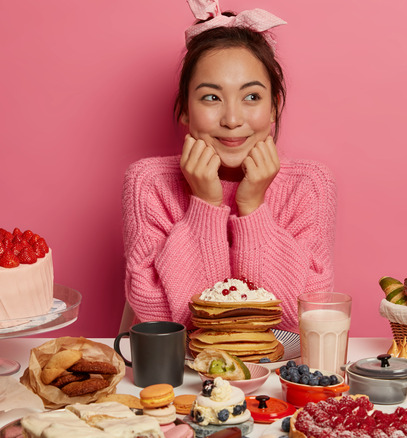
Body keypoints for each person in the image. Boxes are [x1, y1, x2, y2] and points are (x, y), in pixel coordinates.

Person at [122, 0, 336, 332]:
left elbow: (303, 319)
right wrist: (204, 205)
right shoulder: (148, 183)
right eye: (211, 97)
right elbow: (163, 323)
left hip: (278, 377)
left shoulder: (308, 184)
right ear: (184, 110)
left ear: (274, 108)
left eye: (251, 97)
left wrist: (253, 209)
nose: (233, 120)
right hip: (182, 380)